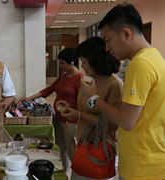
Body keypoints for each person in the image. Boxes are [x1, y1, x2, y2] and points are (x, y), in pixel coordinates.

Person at [80, 4, 165, 180]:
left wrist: (93, 98)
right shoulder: (155, 57)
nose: (107, 48)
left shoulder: (140, 64)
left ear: (126, 34)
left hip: (142, 166)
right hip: (149, 159)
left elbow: (126, 121)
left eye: (108, 40)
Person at [58, 37, 123, 180]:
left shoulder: (114, 84)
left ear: (96, 61)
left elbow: (111, 123)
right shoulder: (92, 80)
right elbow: (90, 108)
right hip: (83, 144)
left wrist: (78, 115)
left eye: (85, 62)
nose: (82, 66)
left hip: (100, 149)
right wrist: (72, 107)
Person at [19, 48, 84, 179]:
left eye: (62, 63)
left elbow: (83, 103)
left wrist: (69, 106)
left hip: (70, 121)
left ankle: (78, 175)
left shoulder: (80, 78)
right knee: (61, 149)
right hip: (58, 118)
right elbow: (48, 90)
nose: (60, 66)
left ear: (71, 62)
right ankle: (64, 173)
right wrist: (30, 98)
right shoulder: (63, 76)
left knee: (72, 151)